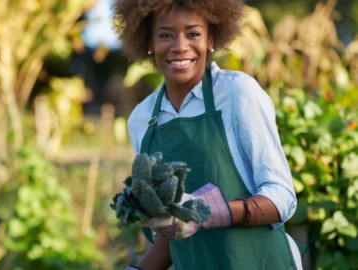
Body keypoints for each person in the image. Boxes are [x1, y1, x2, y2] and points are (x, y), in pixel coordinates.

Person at [111, 0, 302, 269]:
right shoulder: (142, 121)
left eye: (193, 33)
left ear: (211, 38)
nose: (179, 45)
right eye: (165, 35)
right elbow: (174, 230)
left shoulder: (238, 94)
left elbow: (282, 197)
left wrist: (211, 212)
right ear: (149, 42)